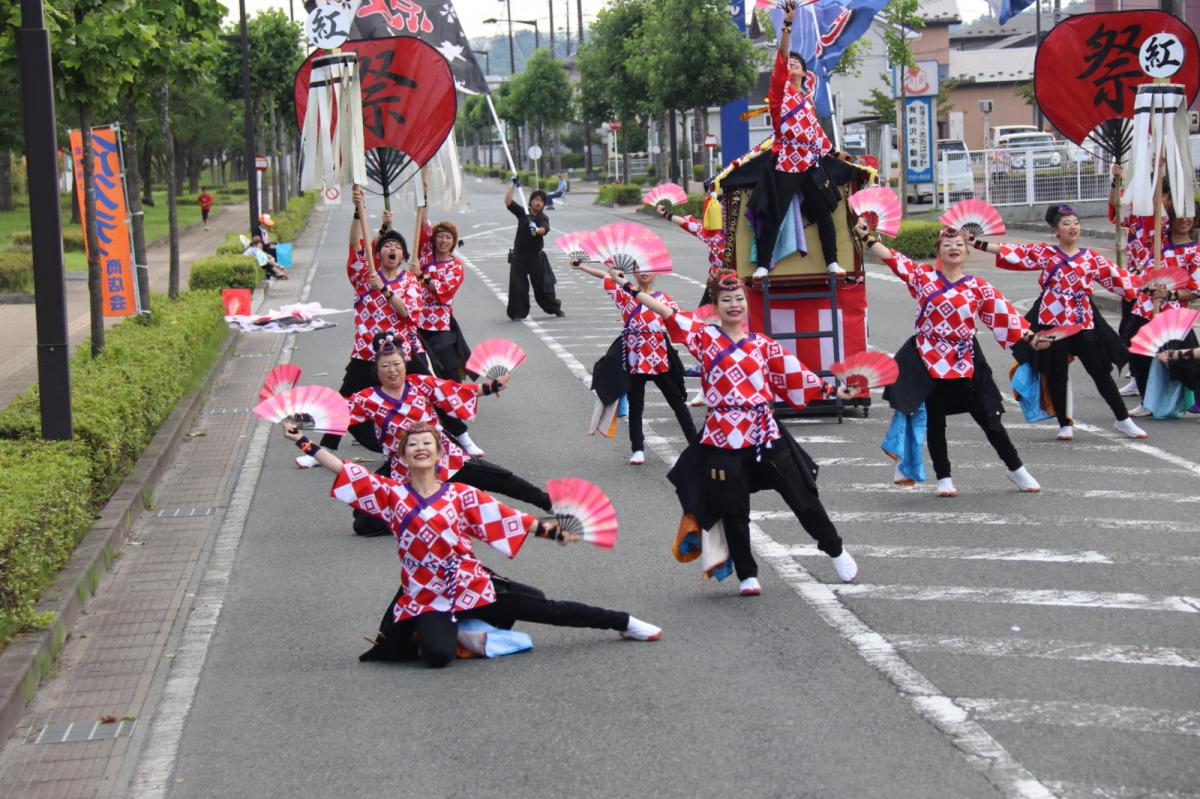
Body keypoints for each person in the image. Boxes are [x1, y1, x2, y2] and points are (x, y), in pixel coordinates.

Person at [283, 422, 663, 668]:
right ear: (401, 456)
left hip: (470, 582)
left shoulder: (461, 494)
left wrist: (552, 532)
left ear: (439, 454)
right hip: (425, 594)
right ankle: (469, 630)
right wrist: (303, 441)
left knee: (550, 610)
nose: (420, 448)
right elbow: (347, 472)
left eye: (427, 444)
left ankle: (624, 622)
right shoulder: (390, 494)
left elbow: (509, 518)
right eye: (412, 444)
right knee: (436, 657)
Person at [630, 267, 858, 594]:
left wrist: (833, 391)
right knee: (733, 507)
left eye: (739, 298)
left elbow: (796, 375)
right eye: (726, 299)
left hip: (764, 431)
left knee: (802, 495)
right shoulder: (704, 337)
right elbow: (670, 314)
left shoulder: (762, 345)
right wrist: (633, 290)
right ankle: (747, 573)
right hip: (723, 434)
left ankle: (835, 549)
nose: (734, 304)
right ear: (715, 303)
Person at [856, 222, 1046, 497]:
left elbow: (1006, 316)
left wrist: (1031, 338)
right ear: (939, 252)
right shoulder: (923, 277)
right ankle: (944, 477)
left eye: (959, 245)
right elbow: (894, 260)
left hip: (965, 357)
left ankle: (1016, 468)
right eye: (947, 245)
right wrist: (868, 237)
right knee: (935, 420)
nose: (954, 248)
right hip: (929, 357)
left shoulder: (978, 287)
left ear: (966, 252)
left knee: (988, 417)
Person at [345, 335, 554, 536]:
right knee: (364, 521)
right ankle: (426, 517)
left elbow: (456, 391)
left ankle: (548, 502)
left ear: (405, 365)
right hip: (403, 468)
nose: (392, 370)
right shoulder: (367, 398)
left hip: (443, 457)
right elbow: (339, 413)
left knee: (499, 478)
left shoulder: (420, 384)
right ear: (376, 370)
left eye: (397, 364)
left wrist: (493, 386)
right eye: (385, 366)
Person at [974, 204, 1145, 441]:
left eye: (1075, 222)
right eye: (1066, 224)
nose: (1072, 227)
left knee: (1100, 372)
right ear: (1056, 230)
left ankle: (1123, 419)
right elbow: (1015, 252)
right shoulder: (1047, 253)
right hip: (1051, 323)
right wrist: (976, 243)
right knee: (1056, 373)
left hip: (1082, 321)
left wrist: (1148, 288)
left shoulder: (1091, 258)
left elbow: (1120, 279)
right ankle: (1065, 424)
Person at [299, 186, 425, 467]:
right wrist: (359, 209)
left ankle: (456, 441)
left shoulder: (409, 282)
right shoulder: (364, 275)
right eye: (387, 246)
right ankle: (324, 453)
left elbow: (409, 315)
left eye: (397, 247)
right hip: (366, 354)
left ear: (403, 256)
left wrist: (386, 292)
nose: (392, 250)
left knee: (430, 393)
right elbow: (356, 242)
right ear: (377, 253)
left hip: (402, 355)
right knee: (344, 402)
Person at [754, 0, 854, 279]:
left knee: (824, 211)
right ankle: (763, 264)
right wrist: (788, 23)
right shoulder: (779, 93)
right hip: (787, 159)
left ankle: (832, 262)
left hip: (810, 160)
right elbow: (783, 54)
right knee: (777, 213)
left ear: (805, 73)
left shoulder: (807, 101)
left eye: (798, 63)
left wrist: (836, 153)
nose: (793, 64)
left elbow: (817, 135)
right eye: (790, 63)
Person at [571, 259, 698, 465]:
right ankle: (637, 448)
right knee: (636, 405)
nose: (644, 272)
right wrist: (583, 267)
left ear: (656, 274)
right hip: (634, 357)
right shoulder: (624, 294)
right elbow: (606, 276)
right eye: (639, 269)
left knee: (677, 403)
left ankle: (695, 446)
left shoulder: (664, 299)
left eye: (649, 269)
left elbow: (680, 321)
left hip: (659, 358)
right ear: (634, 273)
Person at [505, 177, 564, 320]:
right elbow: (508, 202)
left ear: (543, 204)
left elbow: (544, 229)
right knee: (518, 286)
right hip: (518, 257)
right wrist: (513, 185)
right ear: (531, 201)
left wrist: (537, 230)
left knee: (541, 288)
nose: (538, 202)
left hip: (535, 257)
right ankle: (517, 313)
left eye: (541, 201)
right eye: (536, 199)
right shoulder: (523, 213)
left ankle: (554, 308)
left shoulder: (543, 217)